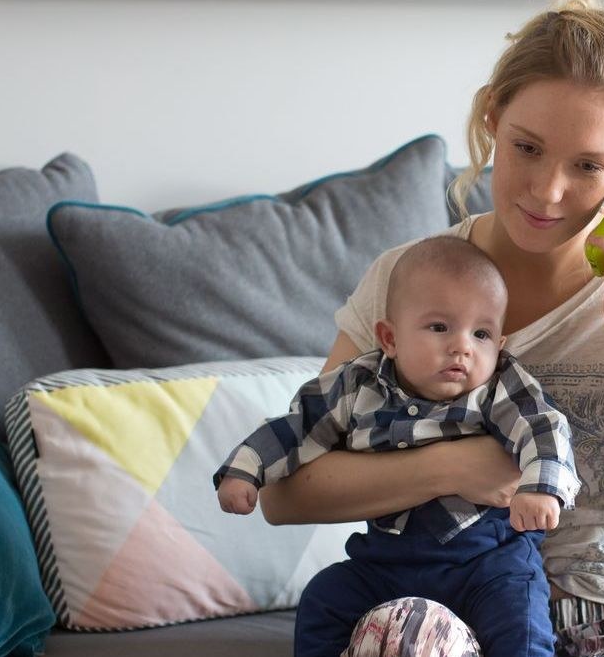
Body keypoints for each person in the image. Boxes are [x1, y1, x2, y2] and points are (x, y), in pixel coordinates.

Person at [259, 0, 604, 657]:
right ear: (492, 119)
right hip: (445, 597)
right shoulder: (411, 284)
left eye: (587, 166)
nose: (547, 192)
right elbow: (285, 492)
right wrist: (456, 465)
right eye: (527, 148)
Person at [215, 235, 581, 657]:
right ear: (389, 338)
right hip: (388, 564)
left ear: (498, 347)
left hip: (487, 565)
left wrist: (542, 486)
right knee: (324, 597)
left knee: (520, 618)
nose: (462, 345)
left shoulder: (499, 386)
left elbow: (545, 428)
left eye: (481, 333)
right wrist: (245, 469)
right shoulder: (357, 386)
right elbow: (297, 426)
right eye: (439, 327)